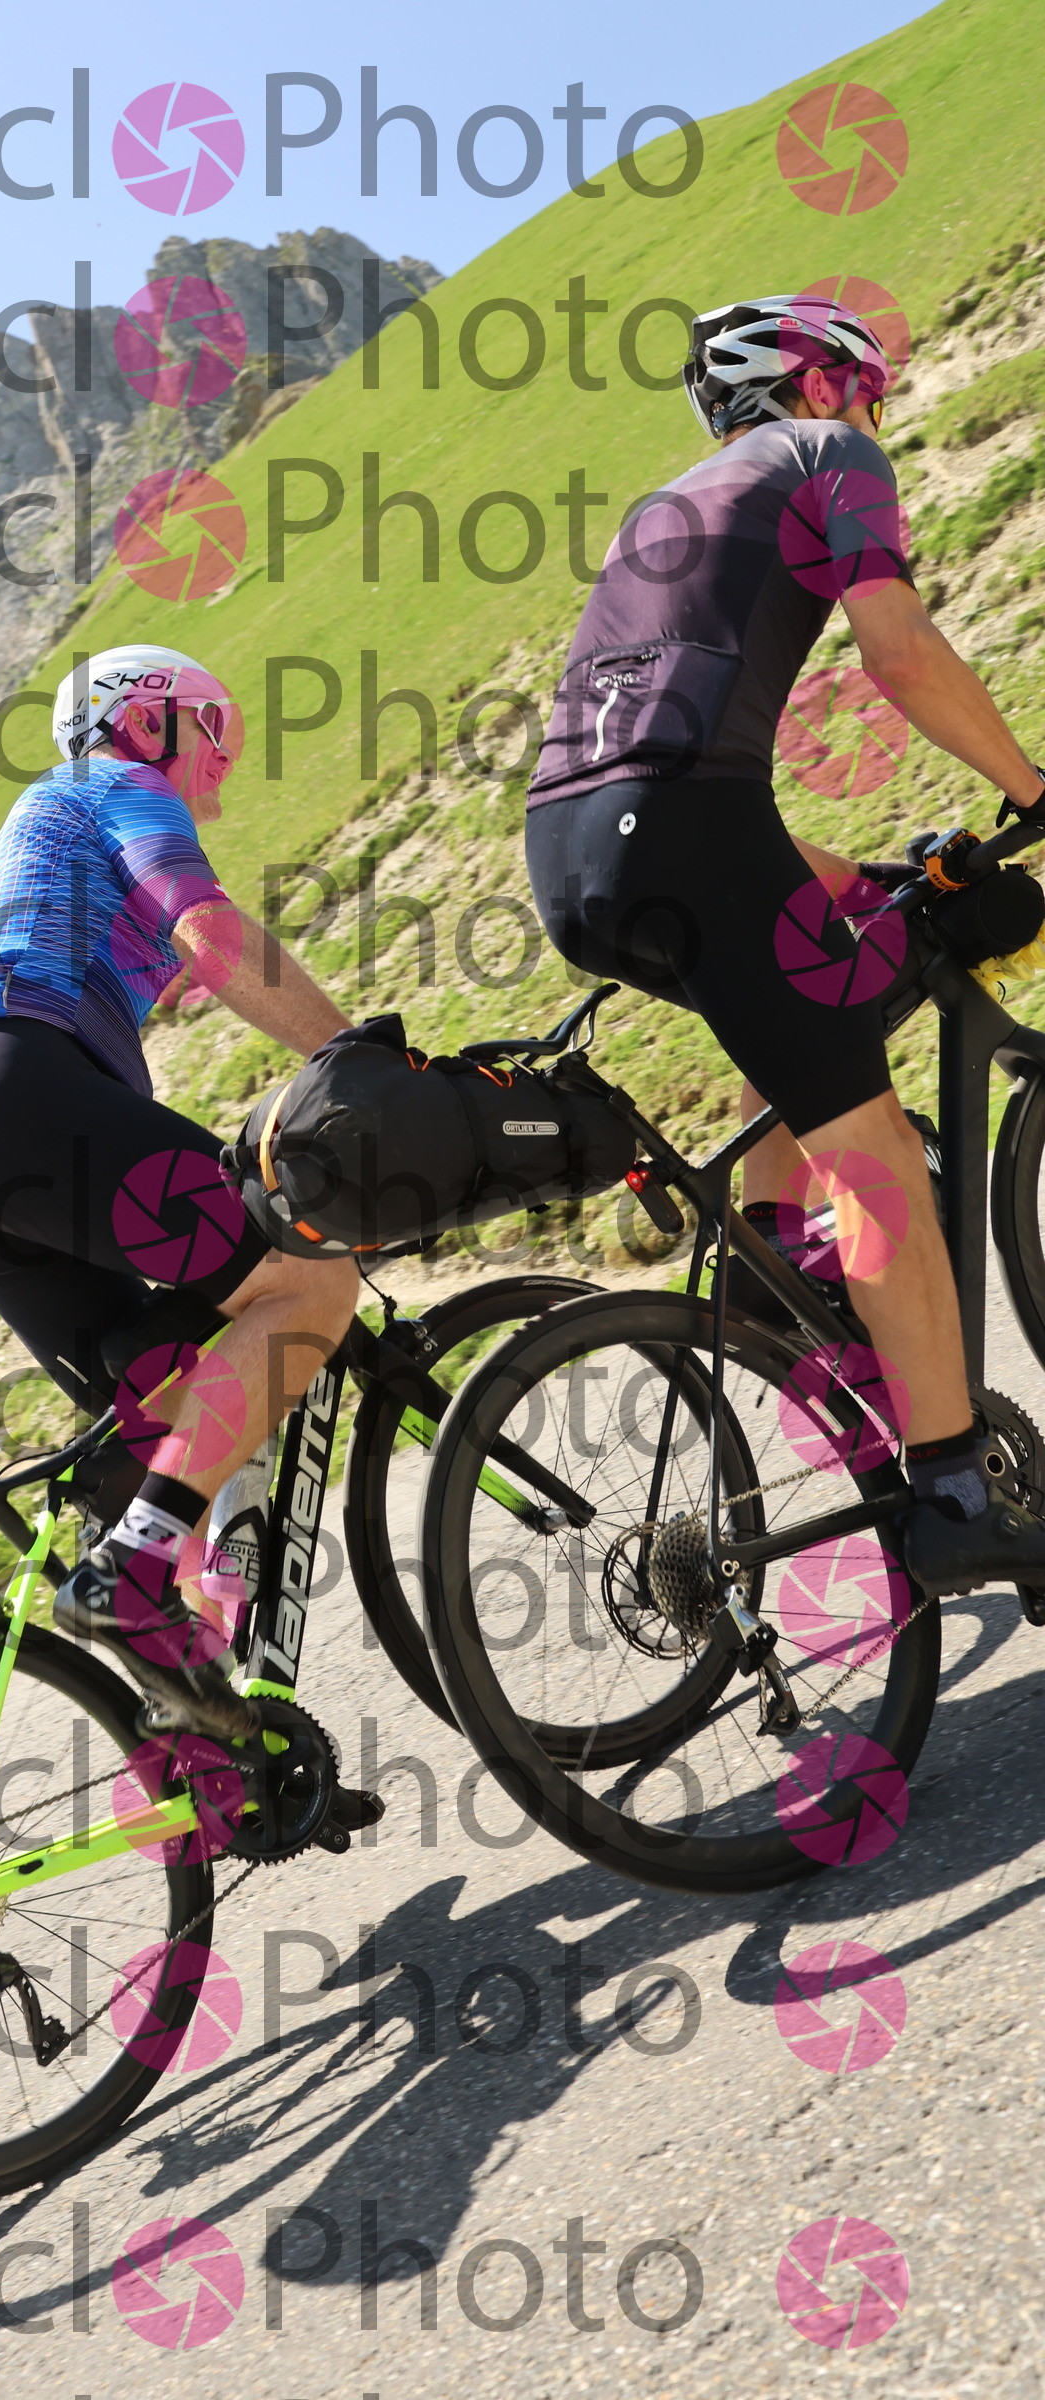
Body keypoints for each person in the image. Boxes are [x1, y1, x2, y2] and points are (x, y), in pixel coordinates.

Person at [524, 291, 1045, 1595]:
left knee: (806, 984)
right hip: (685, 825)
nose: (877, 417)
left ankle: (771, 1253)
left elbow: (663, 767)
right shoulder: (830, 455)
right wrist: (1033, 791)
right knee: (875, 1156)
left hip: (569, 855)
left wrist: (861, 880)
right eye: (868, 391)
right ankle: (954, 1493)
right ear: (818, 385)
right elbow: (900, 655)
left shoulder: (661, 509)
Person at [0, 643, 359, 1737]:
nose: (223, 767)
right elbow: (211, 934)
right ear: (148, 719)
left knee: (164, 1416)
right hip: (15, 1095)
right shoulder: (113, 782)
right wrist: (362, 1061)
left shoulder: (61, 824)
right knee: (312, 1285)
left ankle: (225, 1767)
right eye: (216, 732)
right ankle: (134, 1575)